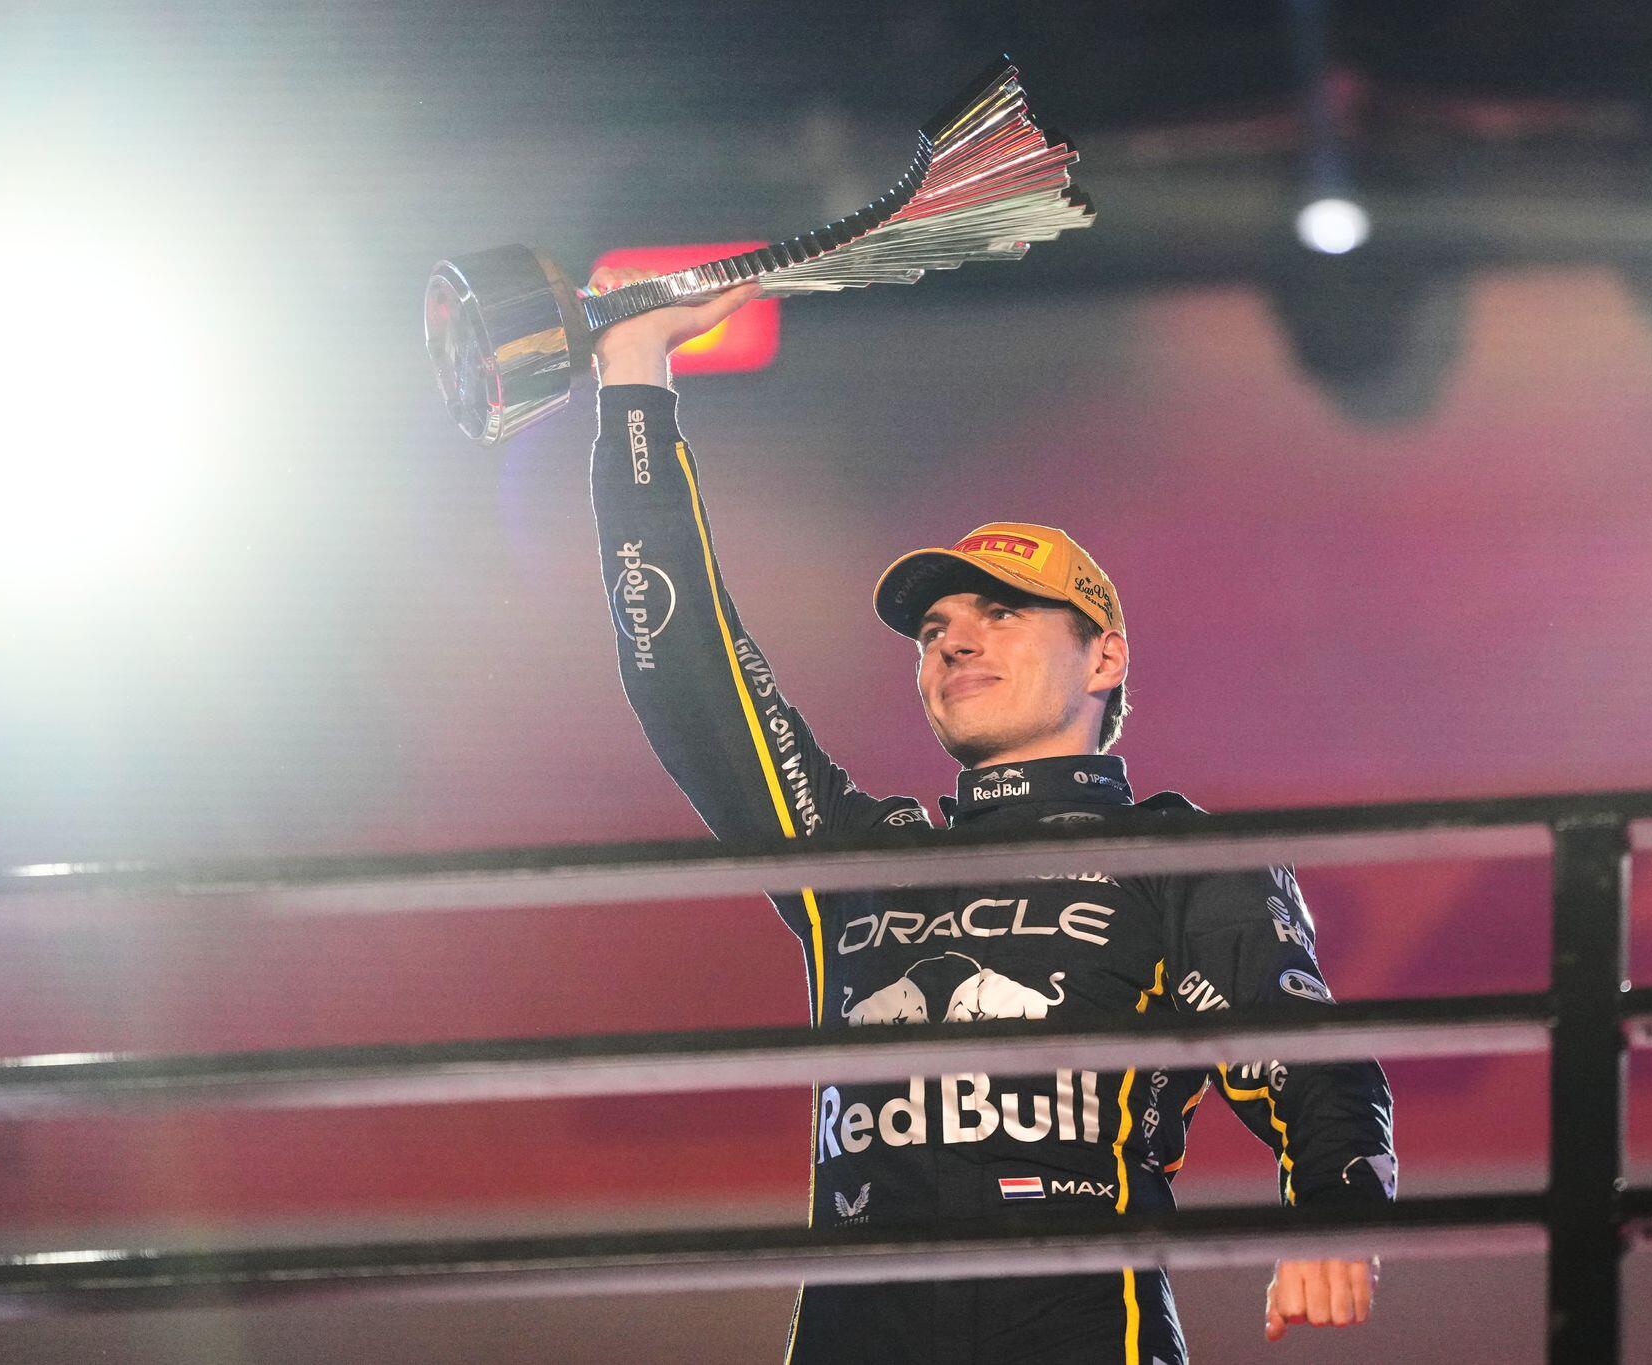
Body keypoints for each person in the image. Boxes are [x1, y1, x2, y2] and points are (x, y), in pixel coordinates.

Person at [586, 270, 1395, 1365]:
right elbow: (684, 670)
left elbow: (1307, 1052)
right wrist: (635, 377)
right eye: (933, 631)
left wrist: (1335, 1210)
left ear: (1103, 657)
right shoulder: (857, 859)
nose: (953, 641)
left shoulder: (1177, 854)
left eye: (1001, 613)